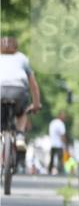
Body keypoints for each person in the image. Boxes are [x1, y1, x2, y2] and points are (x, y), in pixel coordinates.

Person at [0, 37, 41, 167]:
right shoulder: (22, 58)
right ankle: (19, 136)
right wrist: (35, 104)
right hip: (18, 90)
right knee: (22, 111)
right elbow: (33, 84)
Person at [48, 111, 67, 175]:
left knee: (52, 159)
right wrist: (65, 144)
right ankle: (60, 171)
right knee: (60, 159)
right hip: (59, 145)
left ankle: (49, 170)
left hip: (52, 144)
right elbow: (62, 135)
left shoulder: (52, 122)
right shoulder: (61, 124)